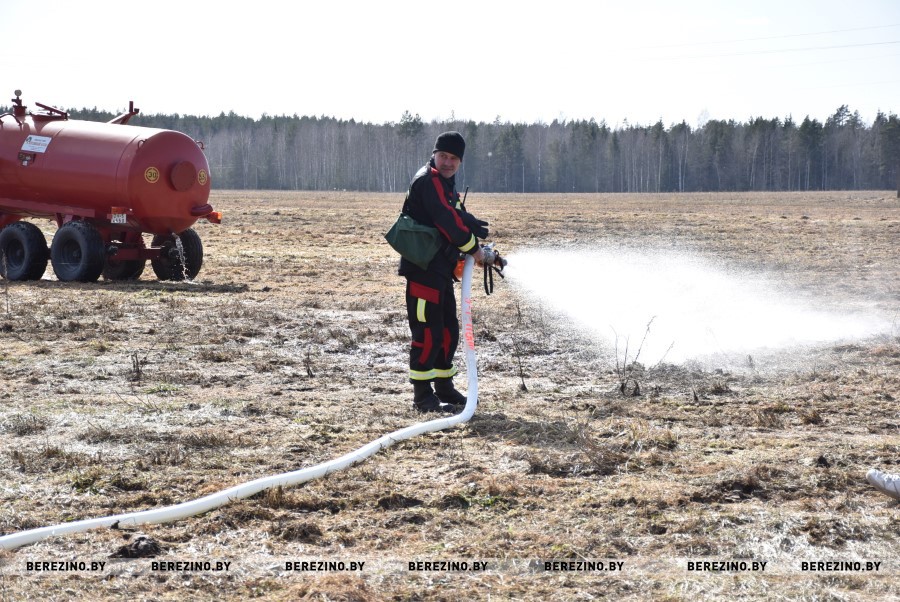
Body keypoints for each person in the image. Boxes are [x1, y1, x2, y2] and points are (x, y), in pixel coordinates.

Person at [398, 131, 489, 413]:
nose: (448, 162)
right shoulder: (429, 180)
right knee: (428, 332)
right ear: (434, 155)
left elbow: (456, 214)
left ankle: (444, 387)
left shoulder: (445, 183)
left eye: (454, 158)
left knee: (448, 329)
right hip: (423, 269)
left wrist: (471, 228)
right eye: (443, 156)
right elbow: (446, 220)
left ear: (460, 161)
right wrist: (474, 249)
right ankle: (422, 396)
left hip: (439, 269)